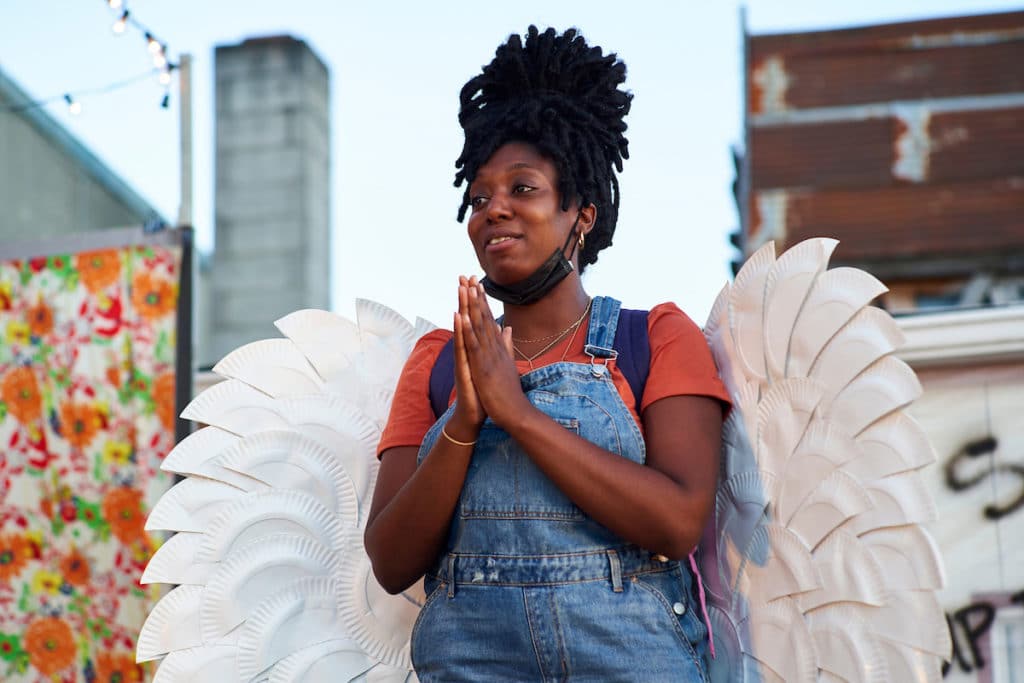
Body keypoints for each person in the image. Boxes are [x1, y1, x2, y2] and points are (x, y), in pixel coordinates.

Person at [364, 25, 730, 682]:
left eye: (523, 188)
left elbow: (677, 521)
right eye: (479, 197)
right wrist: (466, 421)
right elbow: (391, 562)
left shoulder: (653, 340)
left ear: (581, 214)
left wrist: (518, 413)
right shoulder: (439, 364)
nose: (493, 210)